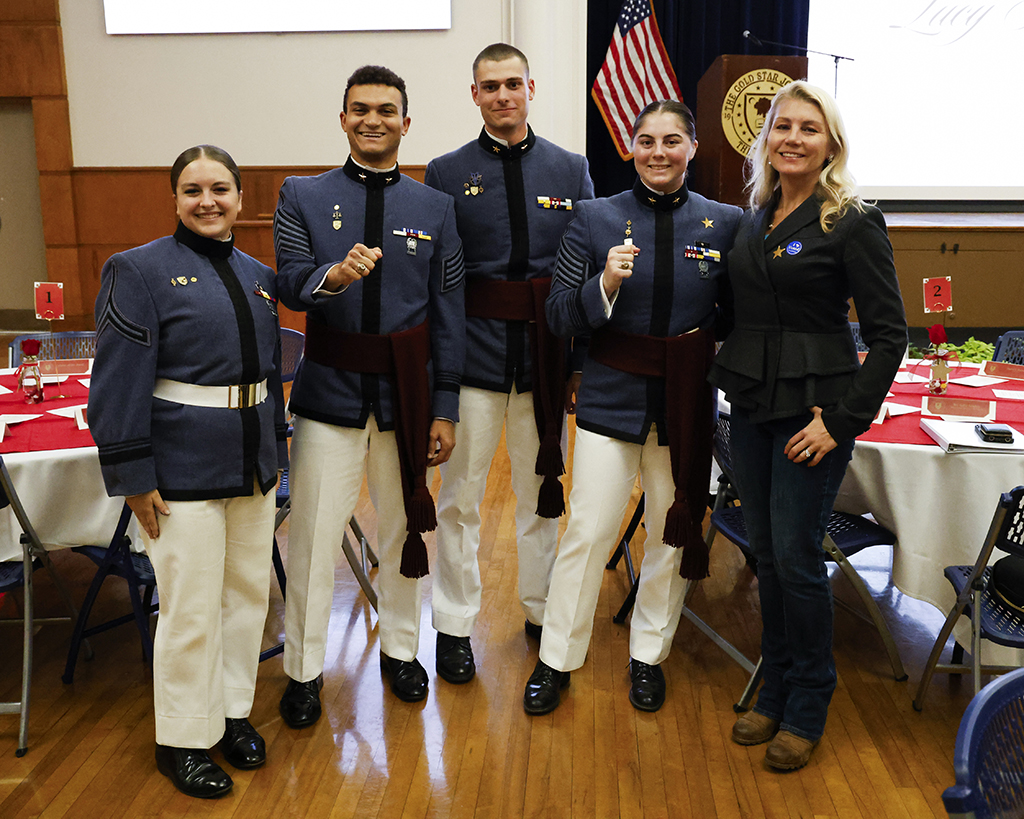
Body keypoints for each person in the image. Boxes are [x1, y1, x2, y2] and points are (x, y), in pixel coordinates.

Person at [709, 80, 906, 770]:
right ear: (766, 140)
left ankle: (808, 699)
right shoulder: (755, 215)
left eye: (809, 129)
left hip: (815, 416)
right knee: (765, 553)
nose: (792, 137)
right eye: (782, 126)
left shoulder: (851, 220)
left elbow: (889, 336)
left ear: (832, 145)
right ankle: (779, 679)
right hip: (756, 406)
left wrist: (843, 421)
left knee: (795, 559)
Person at [525, 100, 741, 715]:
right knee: (589, 531)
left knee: (673, 533)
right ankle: (556, 659)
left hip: (686, 400)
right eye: (646, 141)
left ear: (692, 148)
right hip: (611, 394)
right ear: (631, 147)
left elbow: (734, 314)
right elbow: (560, 315)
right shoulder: (593, 219)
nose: (658, 153)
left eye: (672, 141)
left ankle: (649, 654)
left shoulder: (724, 223)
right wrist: (606, 284)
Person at [89, 145, 288, 798]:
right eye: (194, 189)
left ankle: (230, 713)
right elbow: (117, 384)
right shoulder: (138, 271)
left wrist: (275, 460)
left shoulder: (259, 274)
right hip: (178, 473)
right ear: (174, 198)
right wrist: (132, 474)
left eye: (221, 188)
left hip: (251, 465)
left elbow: (266, 380)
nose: (208, 200)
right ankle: (180, 738)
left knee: (245, 601)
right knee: (190, 609)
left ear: (239, 199)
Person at [274, 65, 465, 723]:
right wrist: (334, 274)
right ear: (343, 118)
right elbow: (293, 282)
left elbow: (450, 313)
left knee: (407, 527)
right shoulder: (300, 194)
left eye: (387, 110)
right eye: (361, 109)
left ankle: (403, 652)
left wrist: (446, 405)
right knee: (313, 540)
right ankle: (302, 670)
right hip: (330, 393)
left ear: (406, 123)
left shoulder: (437, 207)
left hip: (409, 395)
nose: (373, 119)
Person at [423, 43, 594, 684]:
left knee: (542, 495)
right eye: (489, 86)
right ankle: (454, 626)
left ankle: (542, 609)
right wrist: (441, 369)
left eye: (512, 85)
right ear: (475, 95)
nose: (502, 96)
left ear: (530, 88)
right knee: (459, 502)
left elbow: (579, 273)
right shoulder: (444, 172)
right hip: (472, 358)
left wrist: (575, 361)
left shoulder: (571, 169)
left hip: (546, 360)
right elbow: (440, 278)